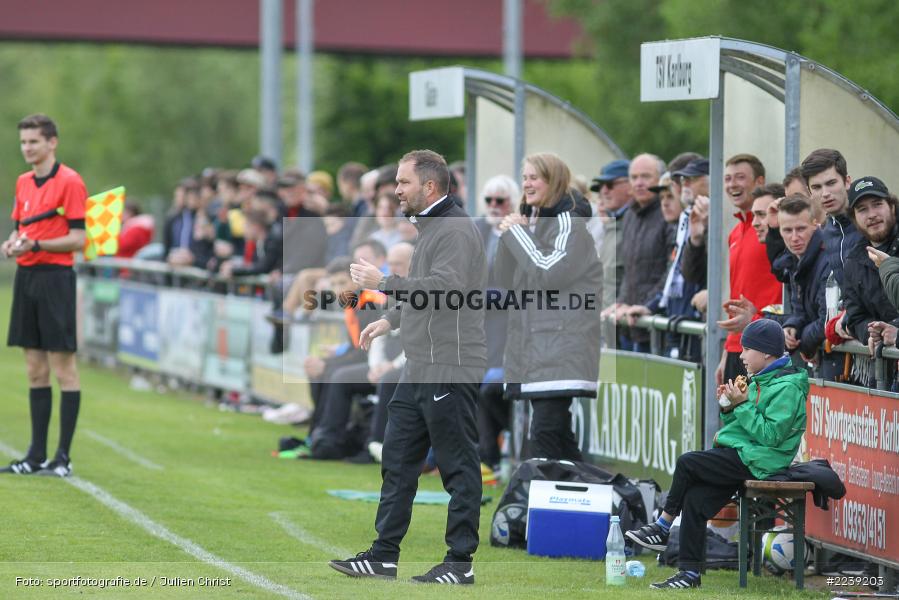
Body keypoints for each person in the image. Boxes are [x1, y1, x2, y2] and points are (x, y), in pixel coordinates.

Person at [330, 149, 487, 585]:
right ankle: (383, 556)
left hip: (450, 364)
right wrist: (391, 318)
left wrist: (384, 284)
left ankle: (460, 564)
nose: (395, 190)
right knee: (398, 459)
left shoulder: (452, 229)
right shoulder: (433, 227)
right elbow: (427, 291)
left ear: (430, 187)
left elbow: (446, 290)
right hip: (422, 364)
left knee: (458, 465)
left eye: (402, 183)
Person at [625, 319, 808, 589]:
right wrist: (729, 406)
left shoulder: (788, 387)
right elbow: (744, 427)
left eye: (747, 350)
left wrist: (742, 405)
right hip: (743, 455)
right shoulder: (763, 379)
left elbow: (770, 436)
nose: (742, 356)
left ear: (767, 353)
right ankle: (689, 574)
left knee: (687, 463)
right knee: (696, 501)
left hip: (759, 461)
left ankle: (662, 527)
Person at [494, 152, 603, 461]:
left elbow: (550, 271)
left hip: (561, 345)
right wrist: (512, 234)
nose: (527, 183)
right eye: (525, 177)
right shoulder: (535, 220)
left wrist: (518, 233)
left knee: (544, 432)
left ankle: (545, 501)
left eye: (534, 177)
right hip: (537, 345)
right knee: (556, 434)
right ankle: (592, 496)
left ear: (553, 180)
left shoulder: (571, 222)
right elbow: (503, 279)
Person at [1, 114, 87, 477]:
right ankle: (35, 456)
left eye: (33, 141)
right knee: (35, 369)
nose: (27, 148)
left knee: (63, 368)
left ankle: (62, 458)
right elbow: (22, 227)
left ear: (52, 142)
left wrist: (37, 243)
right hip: (27, 278)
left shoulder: (70, 182)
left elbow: (79, 239)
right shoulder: (23, 182)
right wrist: (12, 243)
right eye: (23, 142)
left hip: (55, 278)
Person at [831, 177, 899, 381]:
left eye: (877, 205)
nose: (872, 215)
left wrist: (896, 328)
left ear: (892, 206)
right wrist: (872, 331)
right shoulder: (853, 259)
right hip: (885, 371)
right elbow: (855, 316)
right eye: (862, 209)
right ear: (854, 218)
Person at [604, 153, 668, 352]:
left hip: (656, 324)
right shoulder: (629, 215)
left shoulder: (667, 213)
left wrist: (648, 305)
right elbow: (629, 272)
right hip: (629, 326)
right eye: (634, 177)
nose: (639, 183)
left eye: (646, 176)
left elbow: (670, 270)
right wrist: (621, 302)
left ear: (661, 179)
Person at [590, 159, 631, 313]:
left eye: (610, 185)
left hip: (625, 320)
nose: (604, 191)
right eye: (601, 186)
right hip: (608, 319)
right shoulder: (611, 224)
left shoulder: (631, 223)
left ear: (630, 184)